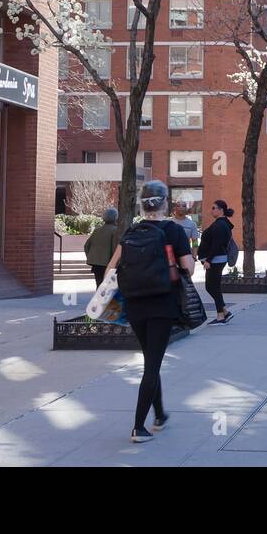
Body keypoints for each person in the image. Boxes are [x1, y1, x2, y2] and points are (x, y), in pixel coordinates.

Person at [105, 180, 195, 443]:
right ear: (164, 203)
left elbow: (111, 268)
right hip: (161, 306)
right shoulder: (173, 231)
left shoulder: (132, 231)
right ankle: (138, 427)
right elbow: (189, 268)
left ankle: (159, 415)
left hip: (134, 306)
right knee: (152, 365)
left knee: (150, 360)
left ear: (143, 206)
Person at [197, 200, 235, 325]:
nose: (211, 210)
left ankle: (220, 315)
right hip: (217, 259)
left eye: (214, 208)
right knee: (214, 286)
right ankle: (224, 311)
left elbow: (216, 244)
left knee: (211, 286)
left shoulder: (220, 225)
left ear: (221, 210)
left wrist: (208, 260)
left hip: (215, 260)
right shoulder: (223, 224)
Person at [83, 207, 121, 287]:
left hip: (96, 264)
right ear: (115, 217)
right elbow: (115, 249)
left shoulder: (97, 230)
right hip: (108, 265)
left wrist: (92, 257)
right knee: (108, 288)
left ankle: (98, 299)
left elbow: (86, 246)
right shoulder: (115, 231)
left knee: (99, 285)